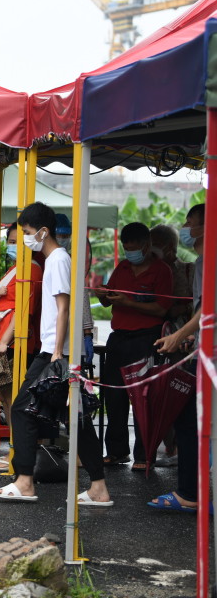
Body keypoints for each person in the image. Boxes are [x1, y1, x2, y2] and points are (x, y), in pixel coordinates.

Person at [0, 202, 111, 505]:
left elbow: (63, 308)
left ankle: (25, 482)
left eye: (28, 233)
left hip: (55, 354)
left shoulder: (57, 260)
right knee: (77, 420)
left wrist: (56, 352)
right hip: (61, 353)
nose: (26, 239)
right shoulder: (58, 259)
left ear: (43, 232)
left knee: (21, 409)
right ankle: (98, 487)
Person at [98, 222, 172, 470]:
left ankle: (144, 454)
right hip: (119, 338)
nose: (131, 253)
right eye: (126, 248)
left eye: (134, 248)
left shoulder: (161, 271)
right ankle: (117, 452)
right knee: (114, 395)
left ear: (147, 245)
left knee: (144, 397)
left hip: (146, 339)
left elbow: (162, 308)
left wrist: (129, 302)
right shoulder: (123, 267)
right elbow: (109, 299)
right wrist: (103, 295)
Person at [152, 203, 206, 512]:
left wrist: (177, 335)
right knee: (190, 421)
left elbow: (208, 307)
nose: (185, 227)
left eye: (190, 223)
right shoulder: (202, 260)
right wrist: (190, 334)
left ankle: (190, 494)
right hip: (202, 348)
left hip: (209, 356)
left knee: (189, 422)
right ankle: (192, 492)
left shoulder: (210, 259)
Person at [0, 224, 43, 473]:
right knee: (7, 398)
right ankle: (15, 449)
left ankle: (17, 452)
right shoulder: (16, 268)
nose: (12, 246)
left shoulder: (31, 269)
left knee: (14, 399)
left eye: (18, 241)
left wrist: (5, 341)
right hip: (6, 340)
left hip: (15, 341)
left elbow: (22, 311)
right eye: (9, 241)